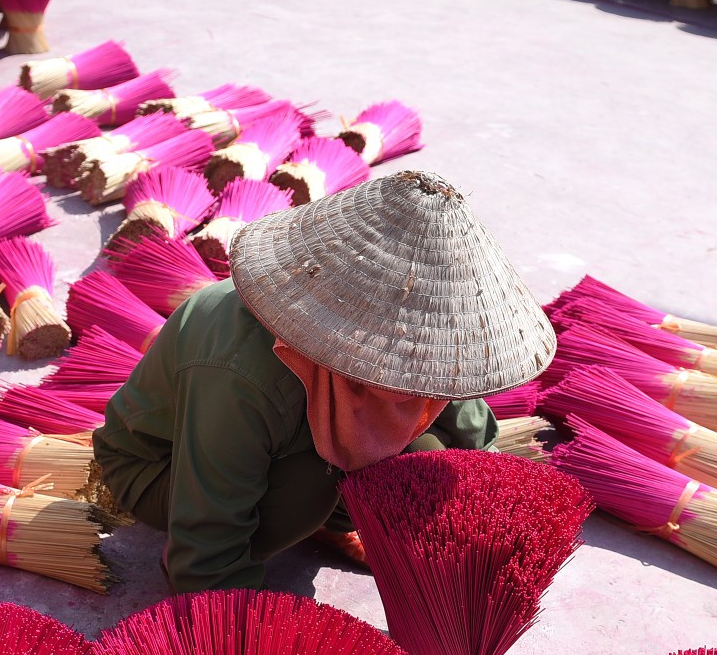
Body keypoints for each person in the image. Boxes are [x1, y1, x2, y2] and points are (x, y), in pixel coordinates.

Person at [93, 169, 557, 593]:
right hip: (164, 470)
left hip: (269, 441)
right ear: (352, 337)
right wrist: (232, 615)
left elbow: (472, 441)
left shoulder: (429, 346)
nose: (426, 386)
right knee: (318, 484)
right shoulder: (240, 373)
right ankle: (318, 519)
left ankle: (328, 520)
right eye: (411, 365)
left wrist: (489, 530)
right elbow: (208, 545)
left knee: (430, 466)